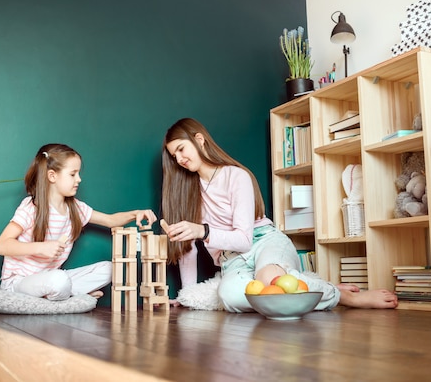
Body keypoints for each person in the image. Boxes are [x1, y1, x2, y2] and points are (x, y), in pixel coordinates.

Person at [160, 118, 398, 312]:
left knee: (269, 279)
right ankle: (305, 286)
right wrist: (187, 295)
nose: (179, 159)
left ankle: (346, 298)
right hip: (231, 259)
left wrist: (203, 230)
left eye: (181, 149)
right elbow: (187, 248)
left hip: (263, 242)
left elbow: (244, 239)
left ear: (199, 139)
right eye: (174, 156)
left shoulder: (236, 176)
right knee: (230, 296)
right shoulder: (188, 193)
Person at [0, 143, 157, 301]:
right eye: (73, 174)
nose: (78, 179)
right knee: (58, 279)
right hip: (19, 281)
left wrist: (136, 213)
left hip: (50, 278)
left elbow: (110, 220)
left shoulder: (76, 209)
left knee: (112, 269)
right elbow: (1, 245)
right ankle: (68, 293)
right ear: (52, 176)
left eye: (78, 174)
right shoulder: (31, 207)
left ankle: (62, 293)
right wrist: (41, 248)